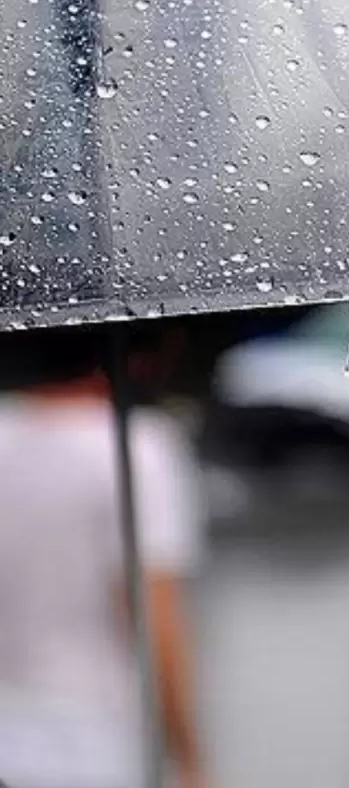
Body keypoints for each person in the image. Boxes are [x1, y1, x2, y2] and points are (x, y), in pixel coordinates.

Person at [0, 326, 204, 788]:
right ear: (138, 359)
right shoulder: (138, 448)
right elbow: (155, 618)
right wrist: (190, 760)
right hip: (92, 747)